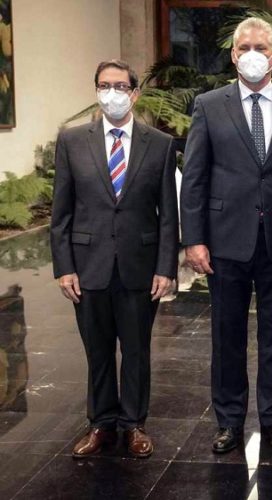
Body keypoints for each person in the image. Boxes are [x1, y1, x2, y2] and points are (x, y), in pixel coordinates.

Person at [180, 17, 272, 454]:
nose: (253, 54)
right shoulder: (209, 105)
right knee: (227, 336)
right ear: (233, 55)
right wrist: (194, 239)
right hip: (225, 240)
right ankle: (228, 421)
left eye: (261, 47)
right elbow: (194, 177)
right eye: (245, 48)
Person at [50, 59, 178, 458]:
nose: (112, 93)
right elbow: (61, 212)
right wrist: (64, 267)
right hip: (88, 266)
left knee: (137, 351)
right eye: (104, 85)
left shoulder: (160, 144)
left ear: (134, 94)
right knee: (98, 351)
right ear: (96, 91)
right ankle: (101, 424)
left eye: (120, 86)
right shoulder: (72, 141)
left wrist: (166, 268)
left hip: (140, 266)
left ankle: (134, 425)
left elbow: (168, 215)